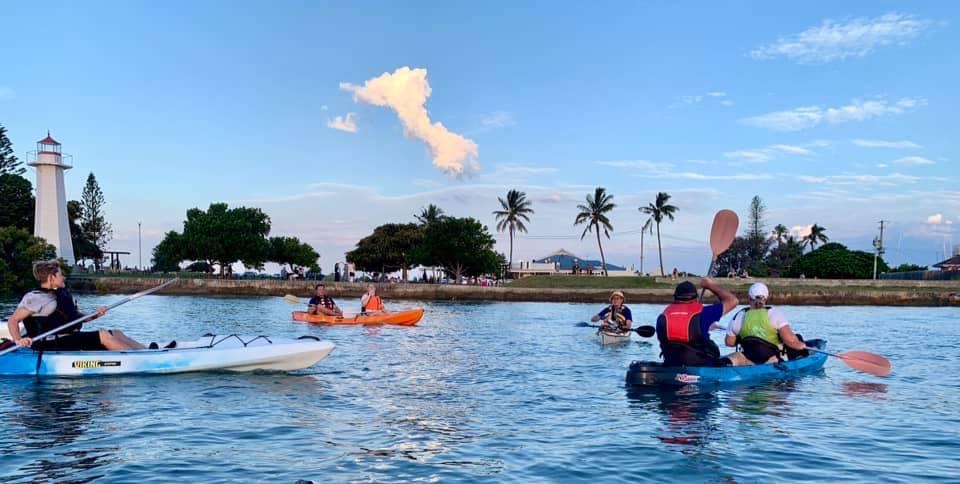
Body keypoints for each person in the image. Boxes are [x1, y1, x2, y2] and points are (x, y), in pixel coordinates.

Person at [5, 260, 150, 351]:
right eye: (60, 275)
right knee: (104, 336)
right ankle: (140, 360)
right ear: (51, 278)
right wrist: (19, 340)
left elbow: (75, 318)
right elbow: (13, 321)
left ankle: (148, 352)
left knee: (116, 333)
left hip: (65, 338)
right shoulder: (34, 298)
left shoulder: (59, 295)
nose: (64, 277)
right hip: (48, 343)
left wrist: (95, 315)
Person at [656, 278, 738, 367]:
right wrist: (710, 286)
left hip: (671, 361)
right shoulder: (705, 313)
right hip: (700, 363)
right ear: (695, 298)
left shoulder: (662, 317)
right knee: (733, 355)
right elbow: (733, 300)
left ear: (675, 298)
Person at [724, 282, 808, 366]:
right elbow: (790, 341)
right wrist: (801, 345)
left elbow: (729, 342)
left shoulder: (739, 316)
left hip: (749, 356)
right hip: (771, 358)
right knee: (798, 337)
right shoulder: (774, 314)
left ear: (749, 297)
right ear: (766, 297)